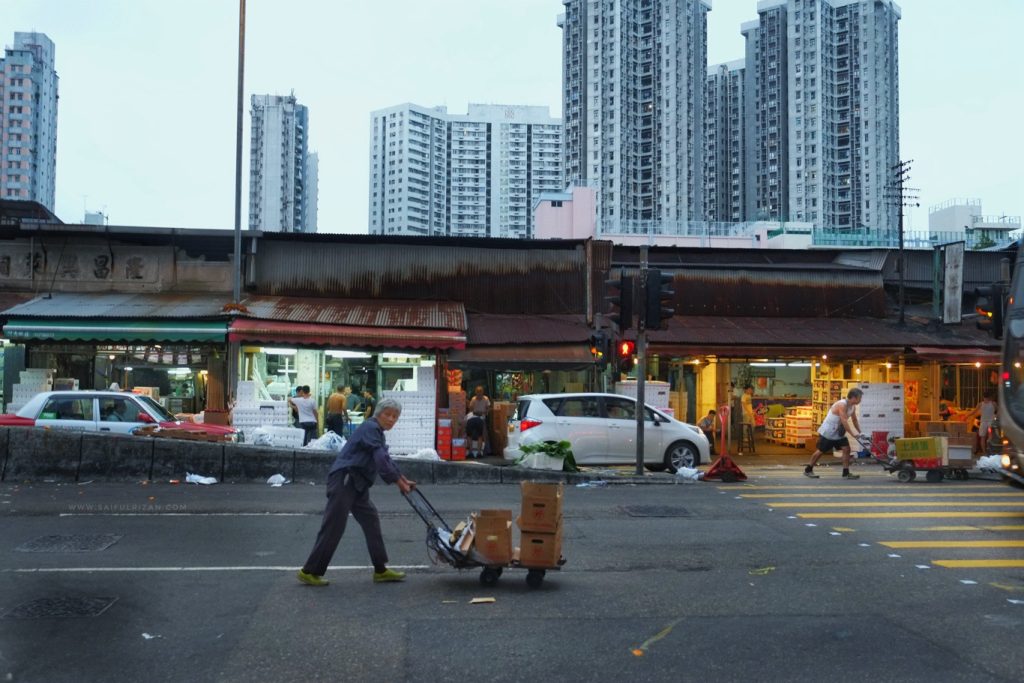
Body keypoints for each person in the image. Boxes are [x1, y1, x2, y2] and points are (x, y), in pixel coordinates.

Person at [297, 398, 416, 587]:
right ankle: (309, 571)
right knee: (334, 525)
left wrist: (401, 478)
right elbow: (380, 458)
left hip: (358, 483)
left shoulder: (377, 432)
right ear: (378, 413)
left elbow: (385, 458)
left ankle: (380, 569)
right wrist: (397, 482)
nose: (391, 419)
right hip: (346, 479)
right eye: (388, 414)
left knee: (371, 520)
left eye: (395, 416)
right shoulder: (371, 428)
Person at [804, 387, 864, 479]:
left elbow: (854, 420)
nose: (860, 400)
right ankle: (808, 470)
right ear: (853, 397)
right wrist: (853, 434)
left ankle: (846, 473)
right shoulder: (842, 405)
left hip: (838, 432)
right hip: (829, 431)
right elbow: (844, 421)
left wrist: (861, 432)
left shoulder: (852, 407)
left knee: (846, 449)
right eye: (859, 398)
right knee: (821, 451)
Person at [467, 385, 491, 458]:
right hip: (473, 417)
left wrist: (483, 412)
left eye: (480, 391)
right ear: (475, 392)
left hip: (482, 418)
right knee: (470, 435)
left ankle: (484, 451)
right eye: (478, 392)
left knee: (483, 435)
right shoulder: (473, 399)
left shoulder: (486, 399)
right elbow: (470, 409)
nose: (479, 393)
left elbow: (488, 409)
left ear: (483, 392)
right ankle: (471, 452)